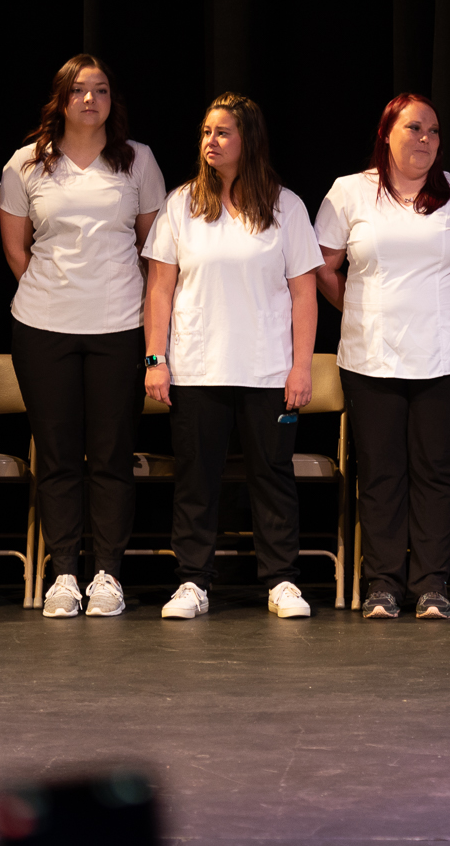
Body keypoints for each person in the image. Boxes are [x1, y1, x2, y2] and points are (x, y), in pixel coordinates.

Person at [315, 93, 450, 622]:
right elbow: (324, 268)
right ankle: (383, 585)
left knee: (436, 472)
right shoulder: (349, 193)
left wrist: (438, 305)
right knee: (380, 473)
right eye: (414, 128)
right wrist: (362, 309)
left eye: (434, 131)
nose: (425, 139)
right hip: (371, 356)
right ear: (386, 133)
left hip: (445, 355)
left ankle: (432, 584)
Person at [143, 93, 321, 621]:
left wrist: (302, 365)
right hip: (198, 367)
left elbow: (304, 293)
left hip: (268, 370)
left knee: (272, 475)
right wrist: (156, 358)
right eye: (205, 133)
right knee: (197, 477)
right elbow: (159, 289)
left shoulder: (286, 207)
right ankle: (193, 581)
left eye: (222, 132)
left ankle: (282, 580)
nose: (210, 142)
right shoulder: (182, 205)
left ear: (248, 139)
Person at [0, 55, 166, 620]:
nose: (90, 100)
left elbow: (155, 250)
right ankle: (65, 572)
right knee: (58, 454)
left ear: (112, 101)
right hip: (43, 326)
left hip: (119, 325)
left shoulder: (137, 161)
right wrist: (57, 292)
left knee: (113, 456)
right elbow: (16, 251)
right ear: (61, 99)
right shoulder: (26, 163)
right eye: (78, 90)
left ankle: (107, 574)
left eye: (100, 90)